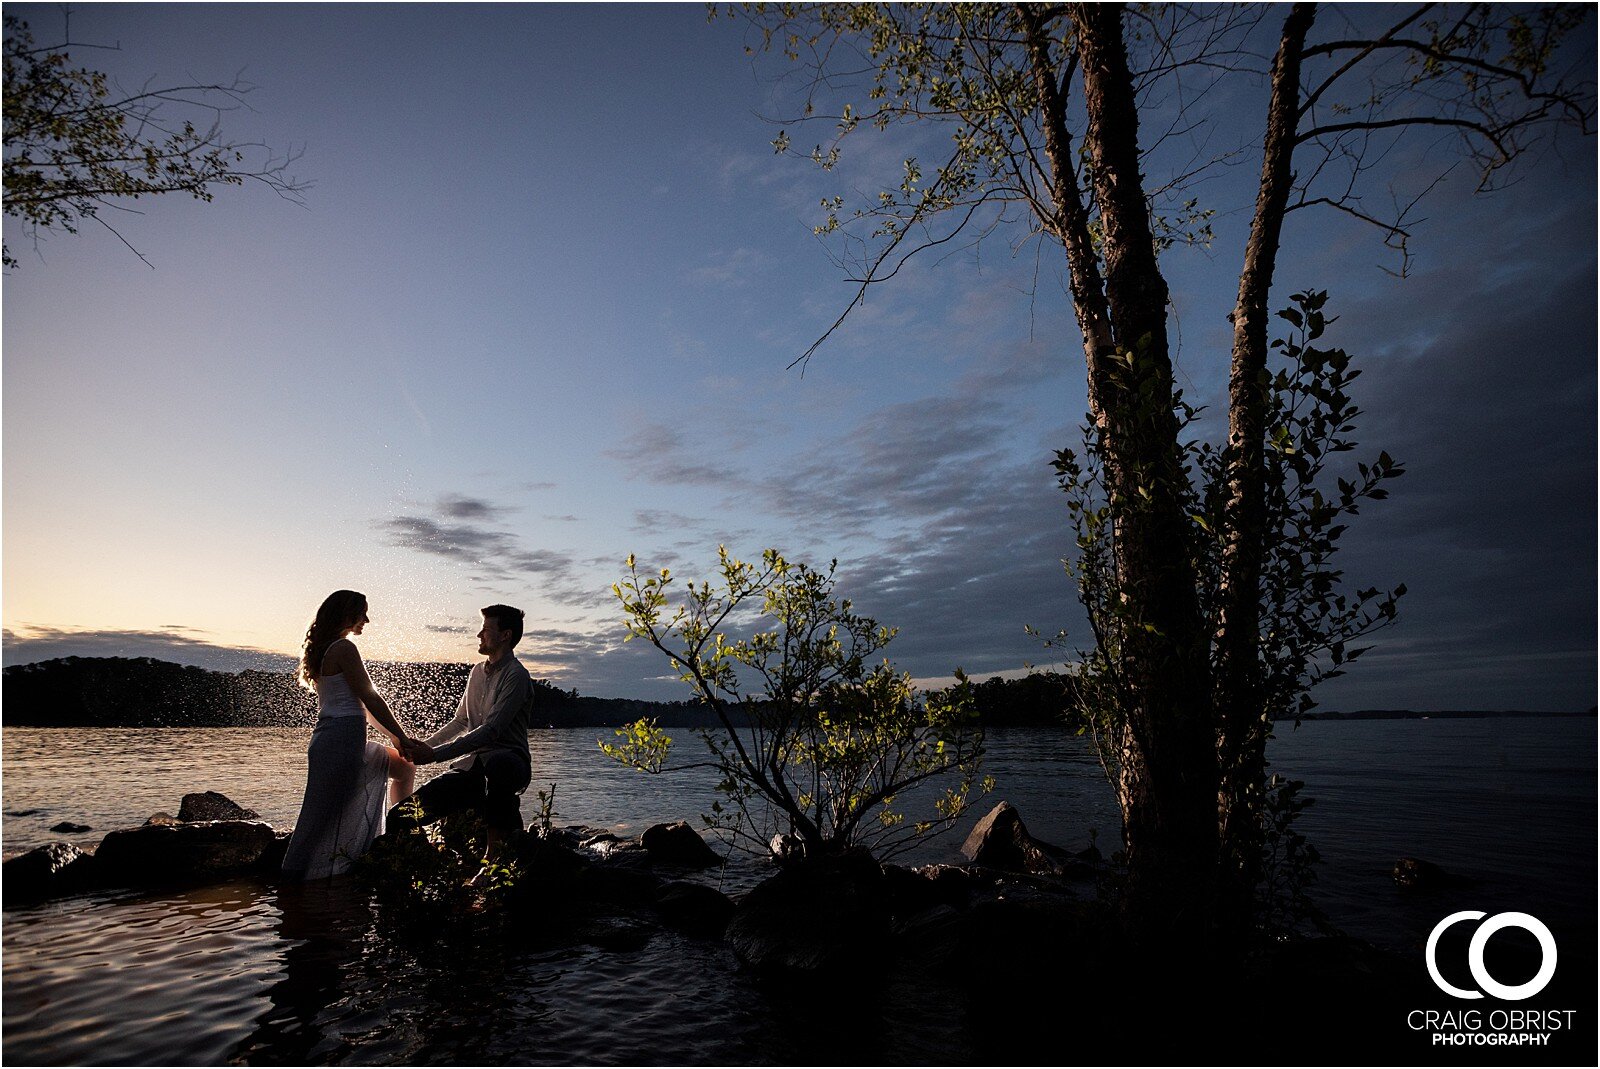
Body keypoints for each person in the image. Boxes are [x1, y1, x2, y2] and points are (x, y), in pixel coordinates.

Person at [280, 590, 416, 881]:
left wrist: (395, 738)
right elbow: (371, 698)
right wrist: (401, 736)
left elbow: (363, 708)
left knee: (403, 768)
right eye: (362, 612)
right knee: (322, 815)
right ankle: (295, 880)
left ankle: (404, 838)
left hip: (340, 737)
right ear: (346, 614)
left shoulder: (330, 647)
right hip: (339, 740)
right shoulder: (342, 648)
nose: (366, 619)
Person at [389, 604, 533, 864]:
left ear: (505, 635)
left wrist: (433, 755)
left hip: (510, 762)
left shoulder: (517, 676)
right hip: (472, 768)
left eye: (486, 629)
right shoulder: (477, 671)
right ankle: (428, 867)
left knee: (499, 765)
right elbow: (460, 721)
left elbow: (491, 731)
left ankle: (493, 857)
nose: (479, 635)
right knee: (401, 816)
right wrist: (422, 746)